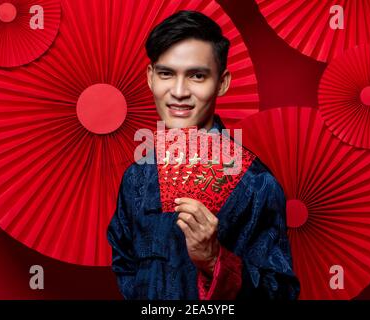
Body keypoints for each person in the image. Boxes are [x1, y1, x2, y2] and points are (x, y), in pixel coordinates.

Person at [107, 10, 300, 300]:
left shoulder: (257, 185)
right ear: (150, 78)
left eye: (197, 76)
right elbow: (125, 265)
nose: (179, 91)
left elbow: (281, 293)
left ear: (222, 82)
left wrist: (214, 261)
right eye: (166, 74)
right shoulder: (137, 178)